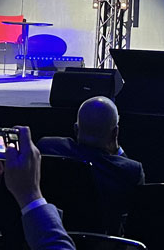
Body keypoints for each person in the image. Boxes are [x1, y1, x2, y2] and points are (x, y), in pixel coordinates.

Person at [38, 96, 144, 234]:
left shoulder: (47, 147)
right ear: (115, 133)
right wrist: (118, 150)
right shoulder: (130, 172)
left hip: (52, 235)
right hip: (101, 245)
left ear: (76, 129)